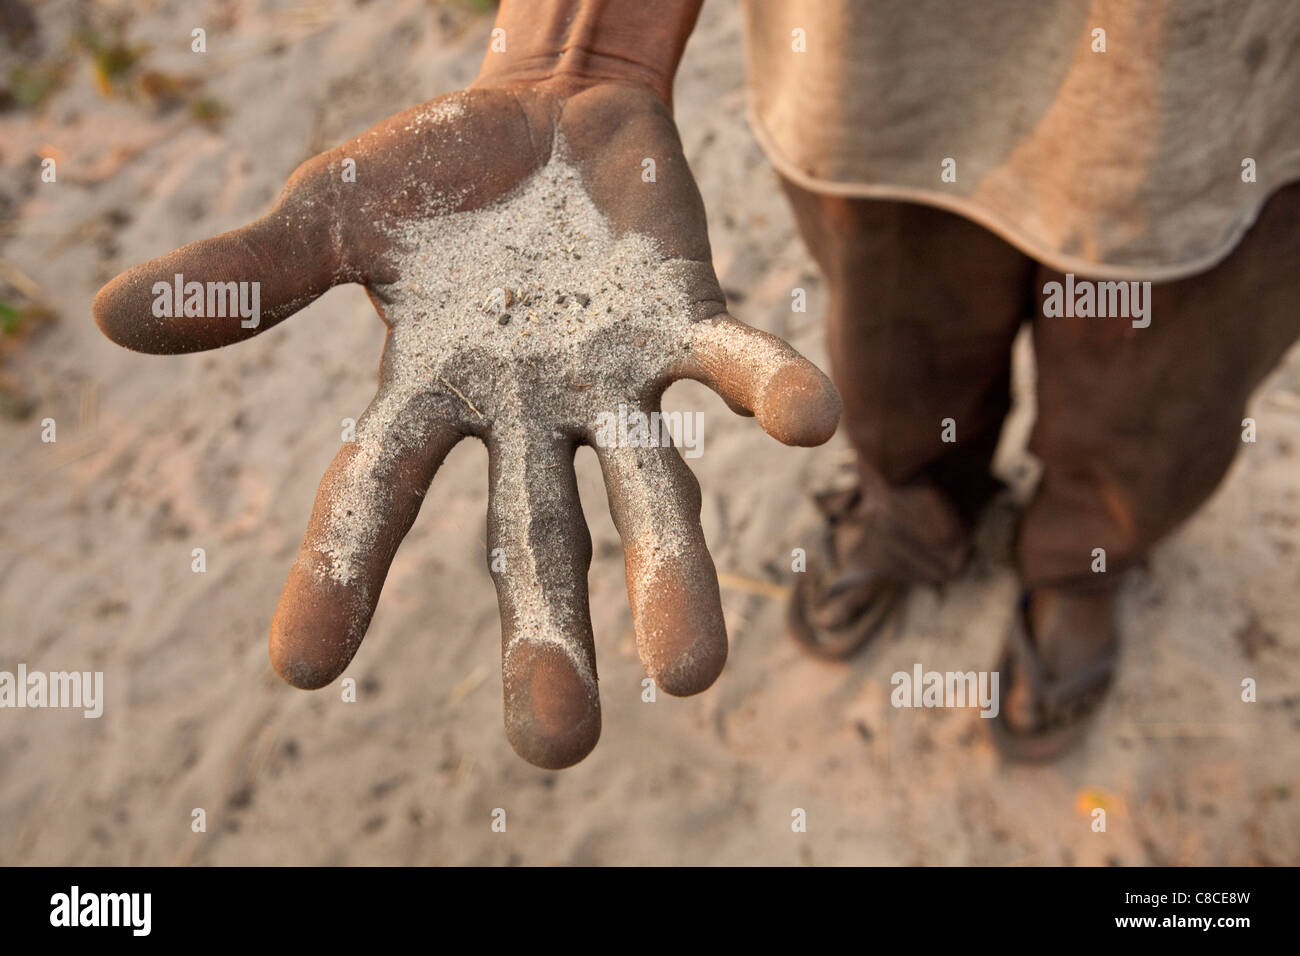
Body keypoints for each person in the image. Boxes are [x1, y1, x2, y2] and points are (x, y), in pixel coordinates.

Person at [92, 0, 1300, 766]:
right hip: (881, 83)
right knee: (887, 362)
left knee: (1157, 411)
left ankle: (1079, 559)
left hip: (1233, 97)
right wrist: (584, 44)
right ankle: (916, 508)